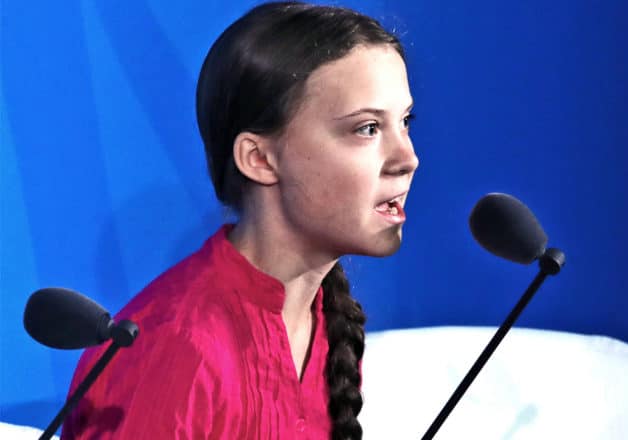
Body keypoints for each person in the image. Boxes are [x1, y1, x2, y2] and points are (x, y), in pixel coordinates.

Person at [61, 1, 418, 439]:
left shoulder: (327, 323)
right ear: (260, 159)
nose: (408, 158)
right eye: (366, 128)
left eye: (405, 122)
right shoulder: (176, 347)